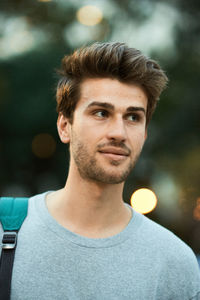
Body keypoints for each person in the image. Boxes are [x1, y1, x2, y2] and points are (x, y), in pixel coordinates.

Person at [1, 42, 200, 299]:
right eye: (101, 113)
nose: (119, 133)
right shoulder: (6, 231)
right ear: (64, 126)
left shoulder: (175, 262)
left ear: (145, 133)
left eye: (133, 117)